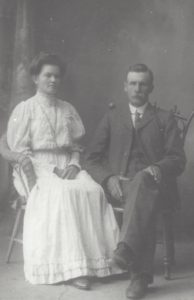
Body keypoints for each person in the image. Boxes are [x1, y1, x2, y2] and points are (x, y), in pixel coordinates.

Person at [0, 52, 123, 289]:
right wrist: (53, 168)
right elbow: (21, 151)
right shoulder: (25, 109)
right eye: (48, 75)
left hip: (68, 164)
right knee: (61, 194)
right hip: (35, 168)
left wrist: (75, 164)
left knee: (92, 190)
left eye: (57, 76)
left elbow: (76, 147)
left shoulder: (67, 109)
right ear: (36, 78)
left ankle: (102, 262)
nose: (53, 80)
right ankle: (73, 267)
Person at [85, 63, 186, 299]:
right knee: (139, 196)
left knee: (142, 186)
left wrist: (157, 167)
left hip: (156, 186)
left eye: (142, 84)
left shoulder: (164, 118)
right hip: (118, 187)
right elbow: (91, 158)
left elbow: (177, 159)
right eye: (133, 83)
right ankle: (137, 271)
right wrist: (108, 178)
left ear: (151, 87)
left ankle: (133, 265)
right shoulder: (112, 117)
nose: (137, 88)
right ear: (125, 87)